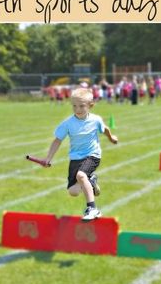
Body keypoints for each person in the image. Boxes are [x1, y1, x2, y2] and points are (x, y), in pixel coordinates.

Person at [43, 88, 118, 221]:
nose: (78, 109)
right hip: (76, 158)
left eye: (82, 106)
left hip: (92, 155)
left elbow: (105, 129)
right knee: (74, 191)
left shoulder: (95, 120)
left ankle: (93, 208)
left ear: (91, 105)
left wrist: (111, 138)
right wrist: (48, 158)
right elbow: (57, 140)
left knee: (81, 175)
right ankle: (91, 180)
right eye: (74, 106)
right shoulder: (68, 123)